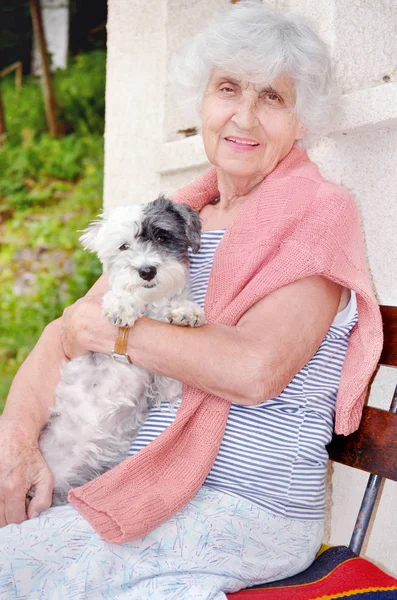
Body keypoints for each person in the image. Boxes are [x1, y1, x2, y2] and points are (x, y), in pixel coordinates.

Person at [0, 2, 382, 598]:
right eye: (228, 88)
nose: (245, 117)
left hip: (248, 503)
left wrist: (118, 334)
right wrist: (17, 446)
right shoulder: (180, 218)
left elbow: (254, 370)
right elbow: (63, 334)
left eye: (273, 98)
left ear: (303, 119)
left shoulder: (318, 215)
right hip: (139, 480)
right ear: (201, 102)